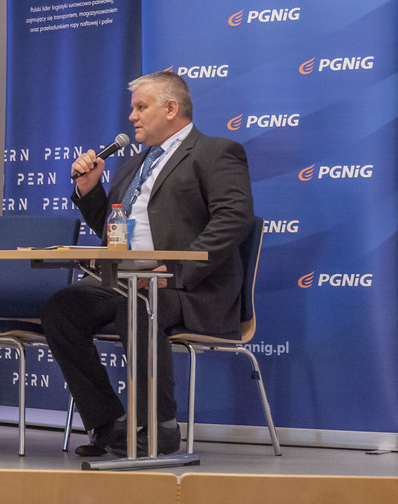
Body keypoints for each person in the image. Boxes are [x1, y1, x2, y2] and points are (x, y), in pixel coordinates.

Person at [41, 70, 254, 458]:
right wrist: (89, 190)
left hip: (188, 287)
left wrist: (173, 273)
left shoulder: (216, 152)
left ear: (171, 108)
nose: (132, 117)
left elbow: (234, 219)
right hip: (127, 280)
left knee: (139, 306)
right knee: (62, 308)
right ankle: (108, 423)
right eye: (133, 108)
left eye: (141, 107)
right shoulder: (131, 165)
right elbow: (111, 231)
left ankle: (159, 427)